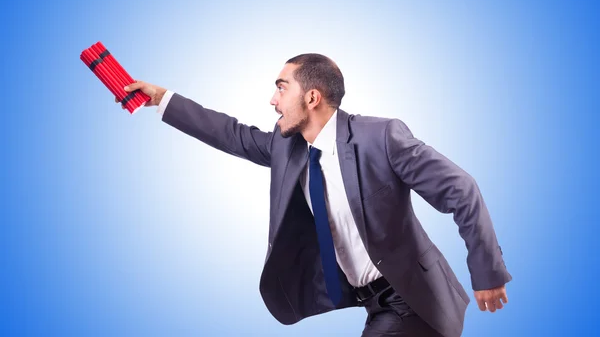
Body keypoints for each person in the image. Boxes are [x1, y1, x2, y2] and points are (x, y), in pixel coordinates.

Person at [118, 54, 511, 337]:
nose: (273, 100)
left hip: (417, 302)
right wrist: (162, 98)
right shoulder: (288, 149)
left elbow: (461, 189)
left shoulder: (381, 137)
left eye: (281, 87)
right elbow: (230, 134)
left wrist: (487, 272)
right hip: (374, 306)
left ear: (312, 97)